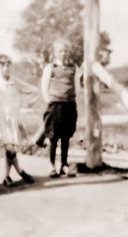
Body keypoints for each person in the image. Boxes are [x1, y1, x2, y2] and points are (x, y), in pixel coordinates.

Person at [0, 54, 36, 186]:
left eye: (7, 65)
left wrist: (25, 105)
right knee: (10, 148)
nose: (5, 68)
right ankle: (20, 172)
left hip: (13, 118)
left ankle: (8, 176)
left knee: (11, 148)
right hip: (0, 119)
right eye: (2, 65)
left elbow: (33, 90)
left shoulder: (15, 81)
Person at [40, 40, 79, 178]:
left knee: (66, 136)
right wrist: (48, 99)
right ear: (55, 52)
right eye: (60, 51)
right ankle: (51, 165)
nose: (63, 53)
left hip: (69, 105)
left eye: (64, 50)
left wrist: (73, 98)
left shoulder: (73, 68)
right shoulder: (50, 68)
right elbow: (44, 86)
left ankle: (64, 164)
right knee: (53, 137)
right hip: (55, 105)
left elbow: (77, 86)